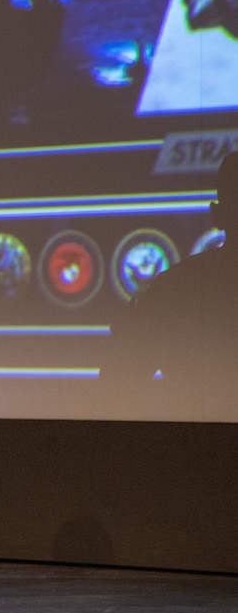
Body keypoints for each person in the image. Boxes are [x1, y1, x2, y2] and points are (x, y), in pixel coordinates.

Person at [105, 152, 238, 417]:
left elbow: (114, 392)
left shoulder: (171, 289)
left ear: (217, 215)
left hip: (192, 452)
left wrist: (123, 340)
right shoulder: (170, 289)